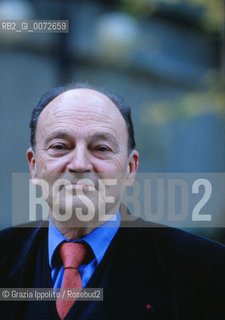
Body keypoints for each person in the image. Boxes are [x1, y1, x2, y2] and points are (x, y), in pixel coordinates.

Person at [0, 83, 225, 320]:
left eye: (101, 148)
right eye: (59, 146)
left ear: (130, 168)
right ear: (34, 165)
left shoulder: (205, 271)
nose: (79, 164)